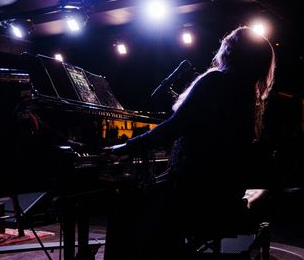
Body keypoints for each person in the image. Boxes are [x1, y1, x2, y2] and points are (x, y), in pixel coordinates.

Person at [105, 26, 276, 260]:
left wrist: (127, 147)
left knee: (125, 206)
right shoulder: (247, 94)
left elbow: (174, 127)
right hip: (223, 192)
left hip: (196, 193)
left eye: (226, 45)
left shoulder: (215, 81)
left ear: (230, 52)